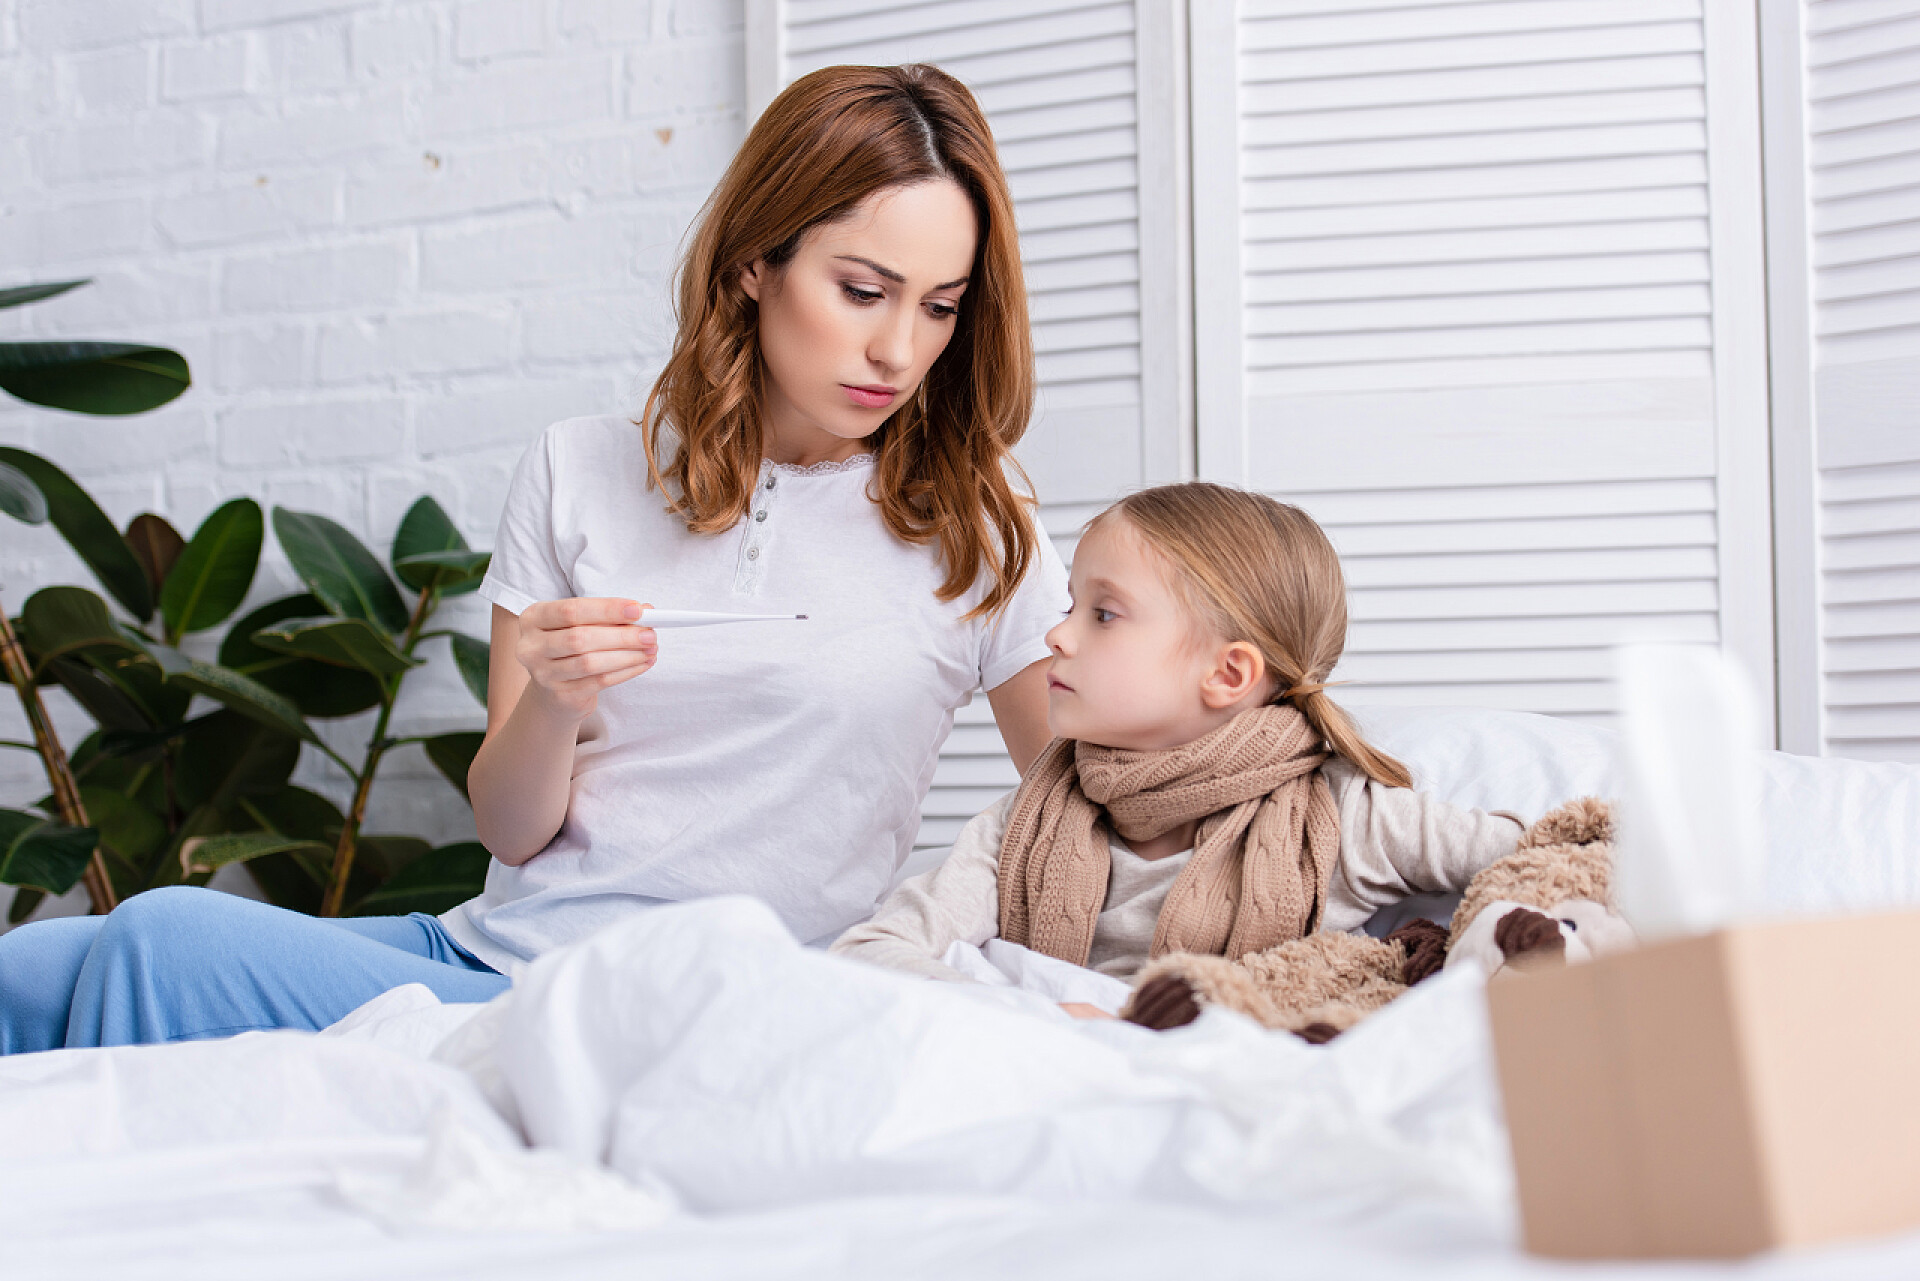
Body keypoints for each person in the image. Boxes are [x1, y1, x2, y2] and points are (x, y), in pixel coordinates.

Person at [0, 63, 1066, 1053]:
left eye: (939, 307)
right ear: (756, 261)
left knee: (162, 940)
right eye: (864, 291)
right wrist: (551, 704)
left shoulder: (976, 521)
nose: (899, 351)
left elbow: (1079, 807)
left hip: (680, 1005)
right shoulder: (580, 468)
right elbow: (512, 831)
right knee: (32, 971)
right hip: (493, 956)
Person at [831, 483, 1523, 1018]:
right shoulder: (1021, 826)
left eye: (1102, 614)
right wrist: (1045, 1020)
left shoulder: (1346, 818)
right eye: (1070, 606)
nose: (1057, 637)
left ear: (1227, 675)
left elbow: (1557, 861)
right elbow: (869, 954)